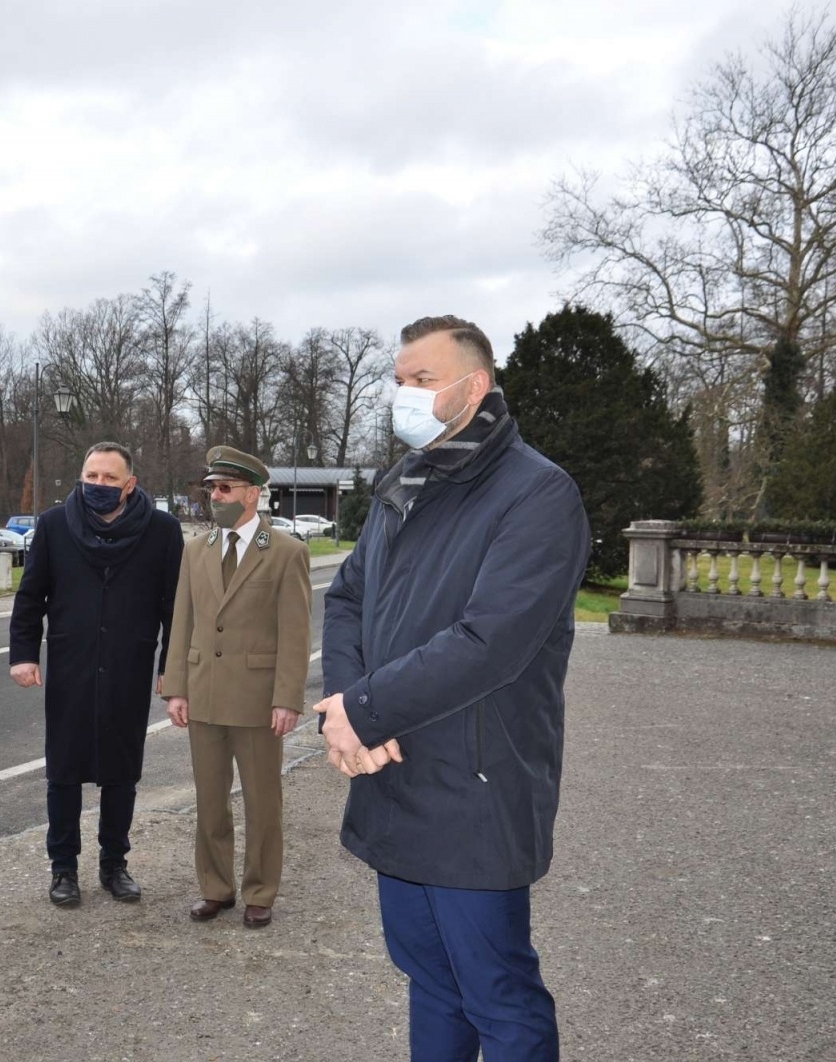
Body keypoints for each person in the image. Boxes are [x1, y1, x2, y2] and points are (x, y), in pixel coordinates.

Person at [315, 315, 589, 1062]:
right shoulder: (404, 485)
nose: (404, 394)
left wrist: (364, 711)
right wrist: (346, 709)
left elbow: (488, 642)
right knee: (428, 981)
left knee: (497, 995)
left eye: (423, 380)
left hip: (475, 785)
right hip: (395, 772)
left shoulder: (537, 493)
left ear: (477, 386)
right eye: (399, 380)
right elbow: (346, 601)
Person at [9, 442, 183, 907]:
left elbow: (174, 609)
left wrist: (171, 669)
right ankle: (63, 868)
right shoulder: (53, 526)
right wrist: (23, 654)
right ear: (80, 478)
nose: (98, 486)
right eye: (91, 477)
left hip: (129, 666)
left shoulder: (163, 532)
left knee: (121, 771)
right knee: (64, 771)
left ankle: (114, 864)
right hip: (71, 667)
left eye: (109, 478)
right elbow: (31, 597)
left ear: (130, 484)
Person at [163, 446, 310, 929]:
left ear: (253, 494)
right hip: (203, 693)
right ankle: (215, 887)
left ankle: (260, 891)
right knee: (209, 799)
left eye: (225, 488)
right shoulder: (195, 550)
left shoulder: (286, 551)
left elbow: (295, 633)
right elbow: (182, 621)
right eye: (211, 488)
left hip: (257, 698)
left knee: (263, 802)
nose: (216, 496)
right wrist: (176, 688)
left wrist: (287, 698)